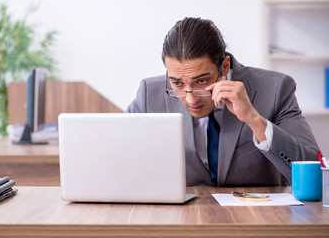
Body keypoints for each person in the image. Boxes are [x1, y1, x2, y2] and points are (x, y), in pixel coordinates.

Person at [126, 17, 320, 186]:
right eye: (177, 83)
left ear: (225, 66)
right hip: (182, 219)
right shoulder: (148, 94)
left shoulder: (276, 89)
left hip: (257, 219)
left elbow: (316, 175)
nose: (191, 98)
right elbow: (117, 157)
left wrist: (255, 120)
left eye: (201, 81)